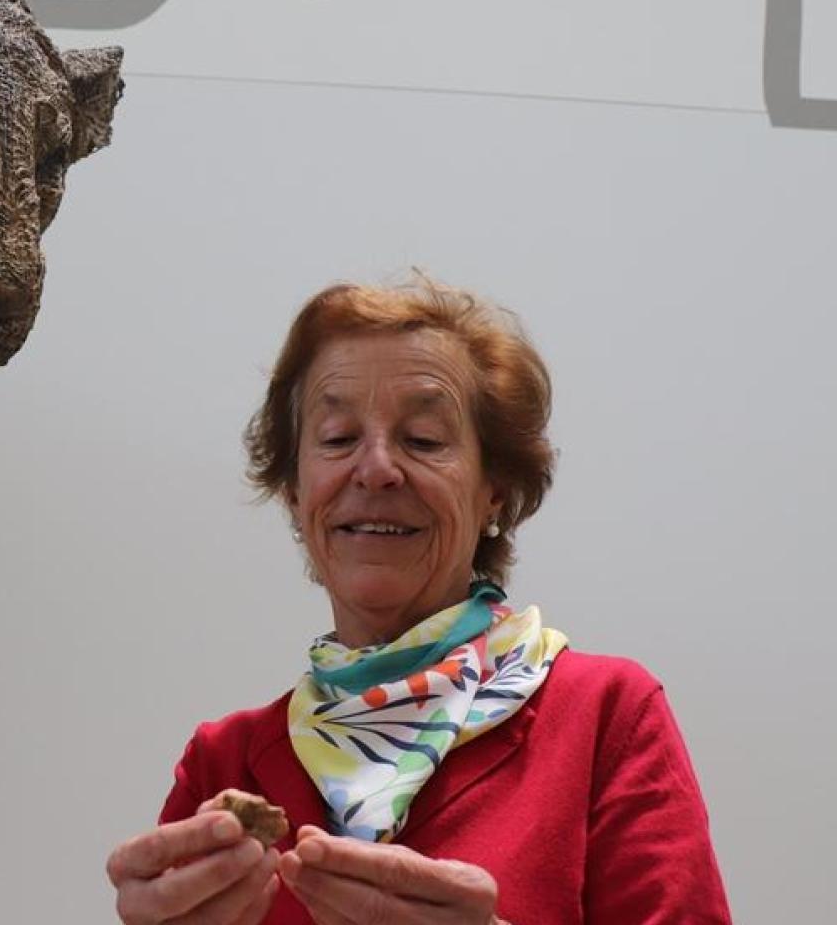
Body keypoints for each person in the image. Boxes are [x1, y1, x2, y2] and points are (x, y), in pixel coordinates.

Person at [106, 280, 731, 924]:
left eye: (425, 440)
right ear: (295, 489)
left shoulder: (606, 717)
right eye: (338, 436)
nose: (376, 468)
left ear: (495, 488)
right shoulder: (225, 762)